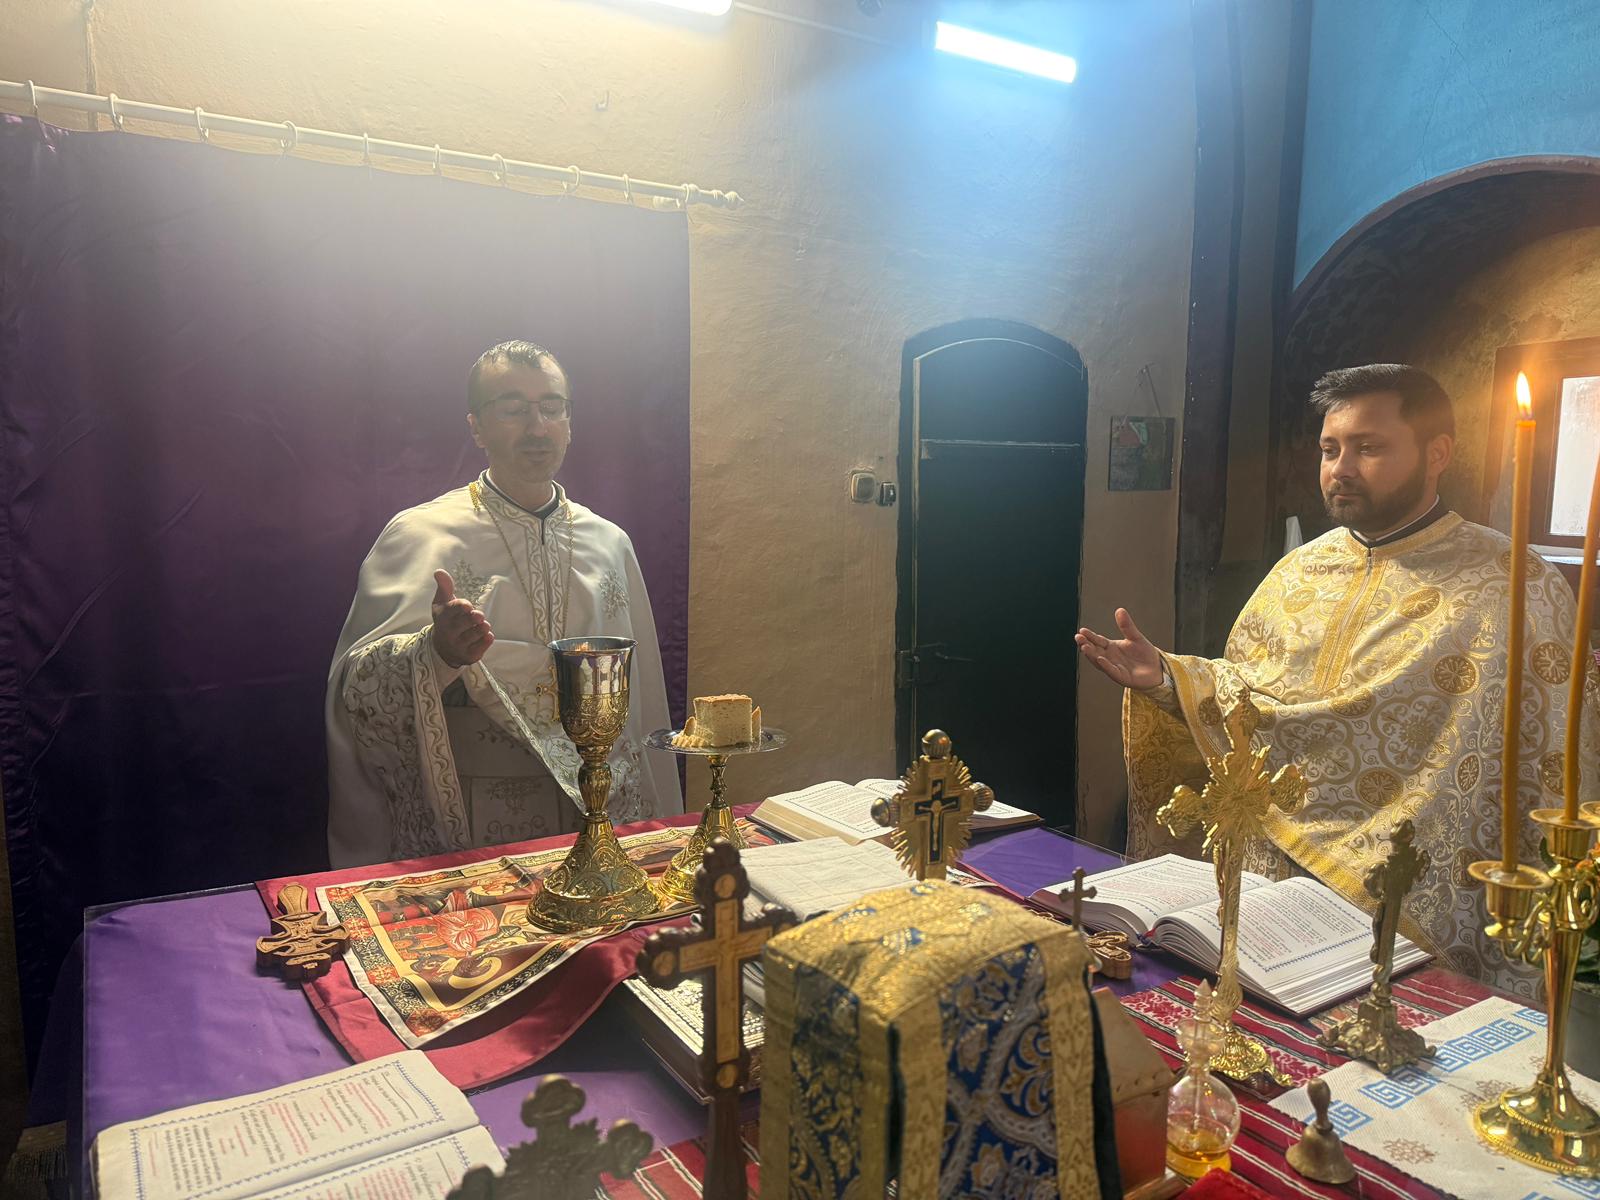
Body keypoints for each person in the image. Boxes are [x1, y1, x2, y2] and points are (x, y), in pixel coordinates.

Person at [1077, 363, 1598, 995]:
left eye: (1368, 448)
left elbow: (1552, 760)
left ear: (1437, 453)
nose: (1340, 469)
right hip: (1270, 879)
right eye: (1330, 449)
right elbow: (1255, 694)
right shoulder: (1298, 572)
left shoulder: (1513, 583)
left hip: (1411, 891)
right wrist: (1168, 677)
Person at [326, 340, 682, 867]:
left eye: (552, 407)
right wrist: (435, 653)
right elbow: (353, 692)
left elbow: (641, 702)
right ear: (477, 428)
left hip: (596, 809)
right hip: (474, 816)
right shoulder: (421, 535)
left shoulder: (610, 543)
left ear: (569, 421)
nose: (538, 427)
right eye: (514, 409)